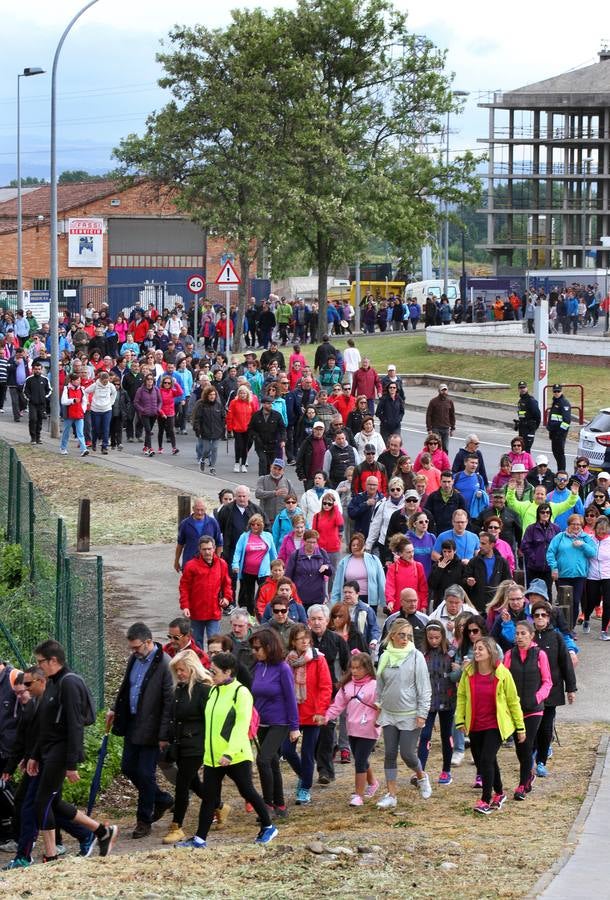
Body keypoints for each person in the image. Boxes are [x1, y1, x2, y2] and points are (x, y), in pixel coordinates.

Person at [176, 652, 278, 848]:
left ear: (228, 672)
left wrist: (229, 753)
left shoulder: (241, 693)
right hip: (213, 757)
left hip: (235, 755)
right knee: (209, 798)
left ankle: (268, 826)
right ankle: (199, 839)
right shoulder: (214, 691)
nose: (210, 674)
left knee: (247, 791)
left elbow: (241, 725)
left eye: (214, 671)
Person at [107, 623, 174, 839]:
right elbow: (127, 688)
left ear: (148, 642)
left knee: (145, 774)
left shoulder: (164, 664)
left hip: (153, 729)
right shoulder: (134, 659)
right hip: (133, 723)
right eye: (132, 648)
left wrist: (164, 735)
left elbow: (169, 703)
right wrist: (115, 709)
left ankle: (144, 820)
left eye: (136, 647)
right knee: (128, 767)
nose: (133, 651)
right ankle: (162, 799)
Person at [455, 636, 526, 815]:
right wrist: (460, 719)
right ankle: (500, 793)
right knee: (485, 761)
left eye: (481, 649)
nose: (476, 652)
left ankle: (485, 800)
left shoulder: (502, 673)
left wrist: (520, 727)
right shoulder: (468, 672)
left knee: (487, 759)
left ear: (490, 652)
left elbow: (513, 701)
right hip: (475, 724)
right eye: (475, 648)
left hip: (495, 725)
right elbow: (462, 696)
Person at [375, 619, 432, 809]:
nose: (405, 639)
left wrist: (422, 713)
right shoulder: (385, 656)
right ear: (392, 636)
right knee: (390, 753)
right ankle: (391, 794)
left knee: (407, 753)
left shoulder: (416, 657)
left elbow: (425, 688)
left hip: (410, 714)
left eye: (409, 636)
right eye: (401, 635)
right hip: (389, 713)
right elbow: (380, 685)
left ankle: (421, 776)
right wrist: (378, 705)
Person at [314, 653, 380, 807]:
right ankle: (373, 783)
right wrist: (326, 717)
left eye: (358, 668)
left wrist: (378, 720)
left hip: (369, 729)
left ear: (367, 669)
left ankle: (358, 795)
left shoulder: (375, 686)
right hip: (353, 728)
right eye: (352, 668)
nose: (354, 671)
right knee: (360, 757)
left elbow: (382, 705)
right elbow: (337, 705)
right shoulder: (347, 686)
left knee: (360, 761)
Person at [162, 651, 212, 844]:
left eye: (182, 669)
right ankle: (219, 806)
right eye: (176, 670)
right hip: (181, 743)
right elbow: (174, 717)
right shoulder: (179, 689)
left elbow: (210, 719)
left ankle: (177, 826)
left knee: (183, 783)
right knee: (194, 782)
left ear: (192, 668)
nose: (179, 673)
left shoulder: (204, 690)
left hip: (196, 744)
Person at [249, 629, 299, 819]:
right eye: (253, 648)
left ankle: (267, 804)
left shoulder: (282, 668)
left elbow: (290, 698)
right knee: (272, 762)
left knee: (262, 760)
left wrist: (294, 727)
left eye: (257, 648)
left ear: (269, 647)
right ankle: (280, 805)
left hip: (280, 722)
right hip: (261, 723)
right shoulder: (258, 666)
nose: (254, 651)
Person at [281, 625, 333, 805]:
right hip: (292, 714)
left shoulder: (318, 659)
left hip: (312, 714)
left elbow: (325, 687)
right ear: (293, 641)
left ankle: (304, 788)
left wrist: (320, 711)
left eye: (306, 637)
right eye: (300, 638)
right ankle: (304, 776)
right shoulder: (287, 661)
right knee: (287, 750)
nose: (304, 641)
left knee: (307, 752)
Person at [503, 622, 552, 800]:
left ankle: (522, 785)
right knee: (519, 746)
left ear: (531, 635)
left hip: (534, 709)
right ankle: (529, 774)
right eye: (517, 634)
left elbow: (547, 682)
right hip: (514, 709)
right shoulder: (509, 654)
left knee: (526, 743)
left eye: (523, 633)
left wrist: (537, 697)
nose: (519, 637)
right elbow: (503, 680)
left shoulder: (540, 654)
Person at [530, 600, 577, 777]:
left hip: (552, 690)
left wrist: (571, 689)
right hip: (531, 692)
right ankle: (531, 756)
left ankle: (541, 760)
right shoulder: (528, 636)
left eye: (543, 615)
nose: (540, 618)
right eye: (537, 615)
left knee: (546, 727)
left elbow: (566, 664)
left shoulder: (556, 637)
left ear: (549, 617)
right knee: (533, 727)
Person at [417, 622, 456, 785]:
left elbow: (458, 673)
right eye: (430, 638)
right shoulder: (421, 653)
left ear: (443, 637)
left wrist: (457, 669)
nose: (434, 641)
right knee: (425, 735)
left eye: (437, 638)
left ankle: (446, 770)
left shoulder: (452, 652)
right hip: (428, 701)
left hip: (448, 699)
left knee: (446, 735)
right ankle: (420, 772)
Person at [179, 536, 233, 647]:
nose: (207, 552)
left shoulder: (222, 564)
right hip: (196, 612)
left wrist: (227, 598)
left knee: (215, 643)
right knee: (196, 644)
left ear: (214, 548)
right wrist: (185, 606)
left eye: (209, 549)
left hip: (214, 611)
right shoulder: (191, 566)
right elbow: (184, 587)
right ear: (199, 549)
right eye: (204, 549)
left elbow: (227, 584)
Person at [546, 514, 596, 626]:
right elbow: (550, 552)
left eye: (578, 524)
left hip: (579, 575)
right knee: (564, 602)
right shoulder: (560, 537)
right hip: (562, 575)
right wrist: (554, 568)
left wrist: (583, 545)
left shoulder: (585, 538)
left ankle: (571, 627)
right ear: (568, 524)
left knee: (575, 601)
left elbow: (593, 553)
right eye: (573, 524)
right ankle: (563, 626)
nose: (576, 526)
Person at [217, 486, 264, 588]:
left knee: (248, 580)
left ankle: (246, 598)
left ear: (248, 496)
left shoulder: (256, 510)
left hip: (251, 551)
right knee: (231, 578)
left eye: (244, 496)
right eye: (239, 496)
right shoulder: (227, 509)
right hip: (231, 549)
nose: (242, 499)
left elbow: (266, 529)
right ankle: (231, 598)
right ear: (235, 496)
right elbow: (218, 530)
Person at [232, 514, 277, 616]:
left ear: (262, 525)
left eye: (258, 524)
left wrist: (277, 567)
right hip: (248, 571)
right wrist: (235, 565)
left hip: (263, 572)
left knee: (263, 594)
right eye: (253, 524)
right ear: (249, 525)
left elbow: (273, 553)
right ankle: (251, 616)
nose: (255, 526)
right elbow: (237, 552)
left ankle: (263, 615)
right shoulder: (244, 536)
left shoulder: (268, 536)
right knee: (249, 596)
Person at [330, 532, 386, 611]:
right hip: (349, 598)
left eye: (358, 545)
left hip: (369, 599)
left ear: (364, 546)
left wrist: (385, 602)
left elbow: (381, 582)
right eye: (353, 545)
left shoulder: (374, 560)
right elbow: (337, 584)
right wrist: (334, 603)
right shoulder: (344, 562)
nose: (355, 547)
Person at [464, 532, 512, 614]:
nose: (480, 546)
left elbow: (507, 582)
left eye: (483, 543)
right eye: (480, 543)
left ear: (492, 545)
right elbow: (465, 578)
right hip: (477, 606)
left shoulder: (502, 562)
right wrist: (468, 581)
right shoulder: (474, 561)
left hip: (496, 607)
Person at [285, 529, 333, 609]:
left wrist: (327, 567)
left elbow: (330, 572)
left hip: (317, 597)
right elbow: (288, 576)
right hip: (299, 597)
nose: (312, 545)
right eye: (309, 542)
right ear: (304, 541)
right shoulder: (295, 555)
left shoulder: (322, 553)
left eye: (314, 542)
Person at [520, 504, 561, 597]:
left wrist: (554, 563)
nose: (545, 514)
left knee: (547, 592)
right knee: (532, 592)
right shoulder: (531, 528)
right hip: (533, 567)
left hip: (548, 567)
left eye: (548, 512)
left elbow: (559, 546)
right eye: (542, 512)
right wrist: (534, 558)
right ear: (538, 514)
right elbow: (525, 545)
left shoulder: (556, 528)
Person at [174, 498, 223, 573]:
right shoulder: (185, 524)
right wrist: (176, 560)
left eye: (202, 510)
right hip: (190, 561)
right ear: (193, 509)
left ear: (205, 509)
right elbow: (180, 544)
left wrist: (217, 560)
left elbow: (219, 543)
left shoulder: (213, 523)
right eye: (197, 510)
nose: (200, 512)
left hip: (208, 562)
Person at [365, 477, 406, 564]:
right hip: (385, 544)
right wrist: (368, 545)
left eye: (398, 489)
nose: (395, 491)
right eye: (392, 489)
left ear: (402, 490)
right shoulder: (383, 505)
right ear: (389, 491)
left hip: (404, 544)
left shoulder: (409, 503)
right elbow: (375, 526)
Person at [386, 535, 428, 613]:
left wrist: (423, 605)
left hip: (415, 609)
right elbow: (390, 587)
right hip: (398, 609)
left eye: (413, 551)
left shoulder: (418, 566)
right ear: (400, 554)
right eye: (408, 552)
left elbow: (423, 589)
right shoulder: (393, 568)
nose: (412, 554)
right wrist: (390, 601)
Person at [583, 516, 610, 637]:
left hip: (607, 575)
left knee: (608, 603)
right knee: (592, 601)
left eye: (604, 529)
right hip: (592, 575)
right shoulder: (589, 539)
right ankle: (586, 618)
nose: (601, 532)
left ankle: (604, 631)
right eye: (599, 529)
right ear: (595, 528)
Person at [248, 395, 287, 475]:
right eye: (268, 403)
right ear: (263, 404)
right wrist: (255, 437)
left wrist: (283, 440)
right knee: (263, 461)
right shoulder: (256, 415)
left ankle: (269, 479)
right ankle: (262, 479)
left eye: (271, 403)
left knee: (270, 463)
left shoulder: (277, 415)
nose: (270, 405)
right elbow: (250, 429)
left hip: (273, 444)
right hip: (260, 444)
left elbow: (282, 429)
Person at [192, 383, 225, 474]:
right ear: (206, 395)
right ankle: (202, 459)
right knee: (206, 449)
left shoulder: (218, 405)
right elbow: (197, 418)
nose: (212, 396)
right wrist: (197, 429)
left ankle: (212, 467)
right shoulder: (201, 405)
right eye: (210, 394)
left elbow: (223, 417)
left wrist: (223, 427)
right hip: (205, 430)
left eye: (214, 394)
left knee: (215, 448)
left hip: (216, 430)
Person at [255, 458, 296, 528]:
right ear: (271, 467)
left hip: (282, 519)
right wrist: (274, 493)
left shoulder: (287, 482)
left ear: (283, 471)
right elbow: (258, 494)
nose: (276, 471)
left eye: (279, 469)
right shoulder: (263, 479)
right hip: (266, 519)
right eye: (274, 468)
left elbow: (294, 499)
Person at [84, 369, 116, 454]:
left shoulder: (110, 386)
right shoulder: (95, 385)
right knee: (96, 428)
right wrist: (87, 401)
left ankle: (104, 447)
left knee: (106, 428)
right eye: (104, 382)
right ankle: (94, 442)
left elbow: (114, 393)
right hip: (96, 410)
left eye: (107, 381)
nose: (105, 383)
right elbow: (86, 391)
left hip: (107, 409)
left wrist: (111, 402)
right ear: (100, 380)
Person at [226, 384, 256, 473]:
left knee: (245, 447)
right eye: (241, 393)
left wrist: (254, 427)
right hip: (237, 428)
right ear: (238, 394)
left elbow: (254, 415)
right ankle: (236, 463)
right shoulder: (234, 402)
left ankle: (243, 464)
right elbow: (230, 415)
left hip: (248, 428)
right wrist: (229, 428)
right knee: (239, 446)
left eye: (244, 393)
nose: (243, 395)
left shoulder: (250, 403)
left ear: (247, 394)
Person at [59, 372, 89, 457]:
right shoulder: (66, 389)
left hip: (79, 414)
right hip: (69, 414)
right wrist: (72, 401)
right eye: (76, 380)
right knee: (66, 432)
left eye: (79, 380)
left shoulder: (81, 389)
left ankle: (83, 449)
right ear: (72, 381)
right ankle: (63, 448)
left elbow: (84, 401)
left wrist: (83, 410)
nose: (78, 382)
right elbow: (63, 401)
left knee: (80, 433)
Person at [23, 361, 52, 445]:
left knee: (39, 420)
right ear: (33, 370)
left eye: (39, 369)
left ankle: (38, 437)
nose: (37, 371)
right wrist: (30, 398)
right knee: (33, 419)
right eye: (36, 369)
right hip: (32, 404)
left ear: (41, 370)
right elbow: (25, 391)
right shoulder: (29, 379)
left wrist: (44, 397)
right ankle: (33, 438)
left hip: (42, 404)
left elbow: (49, 390)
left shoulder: (45, 379)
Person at [134, 372, 162, 457]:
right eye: (148, 379)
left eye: (151, 379)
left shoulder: (156, 389)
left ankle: (145, 447)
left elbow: (160, 401)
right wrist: (142, 410)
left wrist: (158, 409)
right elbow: (136, 402)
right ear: (145, 380)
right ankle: (150, 448)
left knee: (148, 431)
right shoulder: (140, 390)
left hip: (154, 413)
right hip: (144, 414)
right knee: (148, 430)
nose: (150, 381)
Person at [546, 384, 571, 472]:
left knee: (560, 454)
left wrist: (560, 433)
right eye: (555, 391)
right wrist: (550, 428)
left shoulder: (564, 403)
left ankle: (562, 472)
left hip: (559, 434)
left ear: (561, 391)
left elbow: (567, 421)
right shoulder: (555, 402)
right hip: (554, 433)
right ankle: (559, 471)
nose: (556, 393)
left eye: (558, 391)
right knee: (556, 453)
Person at [425, 385, 455, 453]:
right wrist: (429, 429)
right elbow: (428, 415)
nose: (444, 392)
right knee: (436, 446)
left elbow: (452, 415)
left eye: (445, 390)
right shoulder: (433, 401)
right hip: (436, 428)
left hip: (446, 428)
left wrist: (452, 428)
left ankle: (445, 459)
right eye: (442, 390)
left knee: (445, 447)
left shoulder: (450, 402)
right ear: (439, 391)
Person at [515, 381, 541, 453]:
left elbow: (538, 415)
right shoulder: (520, 401)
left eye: (524, 387)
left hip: (529, 429)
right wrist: (518, 423)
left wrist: (534, 427)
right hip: (522, 429)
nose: (522, 389)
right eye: (521, 388)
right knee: (521, 450)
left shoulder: (531, 400)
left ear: (527, 388)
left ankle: (528, 461)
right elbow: (522, 415)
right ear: (518, 389)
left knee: (526, 450)